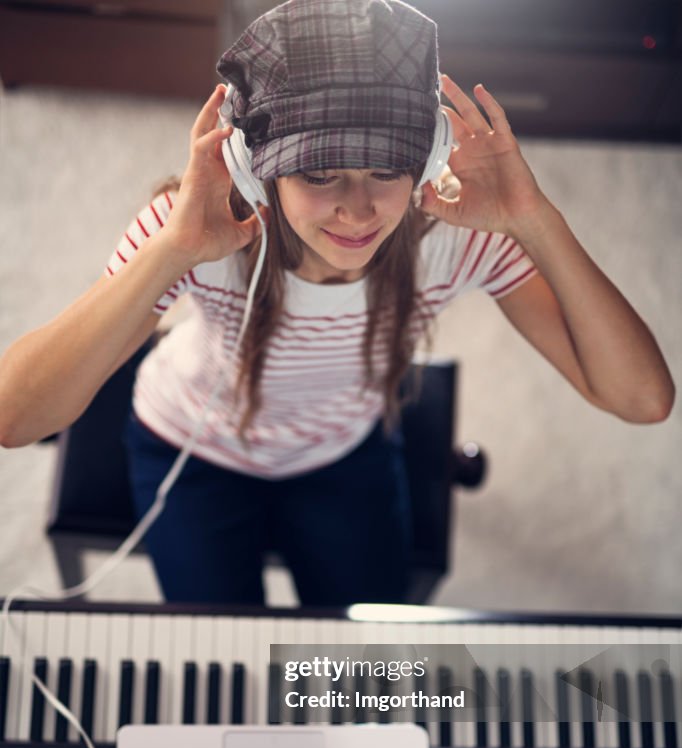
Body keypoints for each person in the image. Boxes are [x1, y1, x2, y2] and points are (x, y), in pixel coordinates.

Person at [0, 0, 674, 608]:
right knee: (225, 655)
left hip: (343, 450)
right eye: (320, 172)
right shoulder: (192, 233)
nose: (359, 207)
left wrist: (534, 218)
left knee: (361, 660)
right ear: (253, 164)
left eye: (388, 169)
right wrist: (170, 254)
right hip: (190, 449)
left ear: (429, 154)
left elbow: (642, 398)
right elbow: (14, 416)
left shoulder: (459, 241)